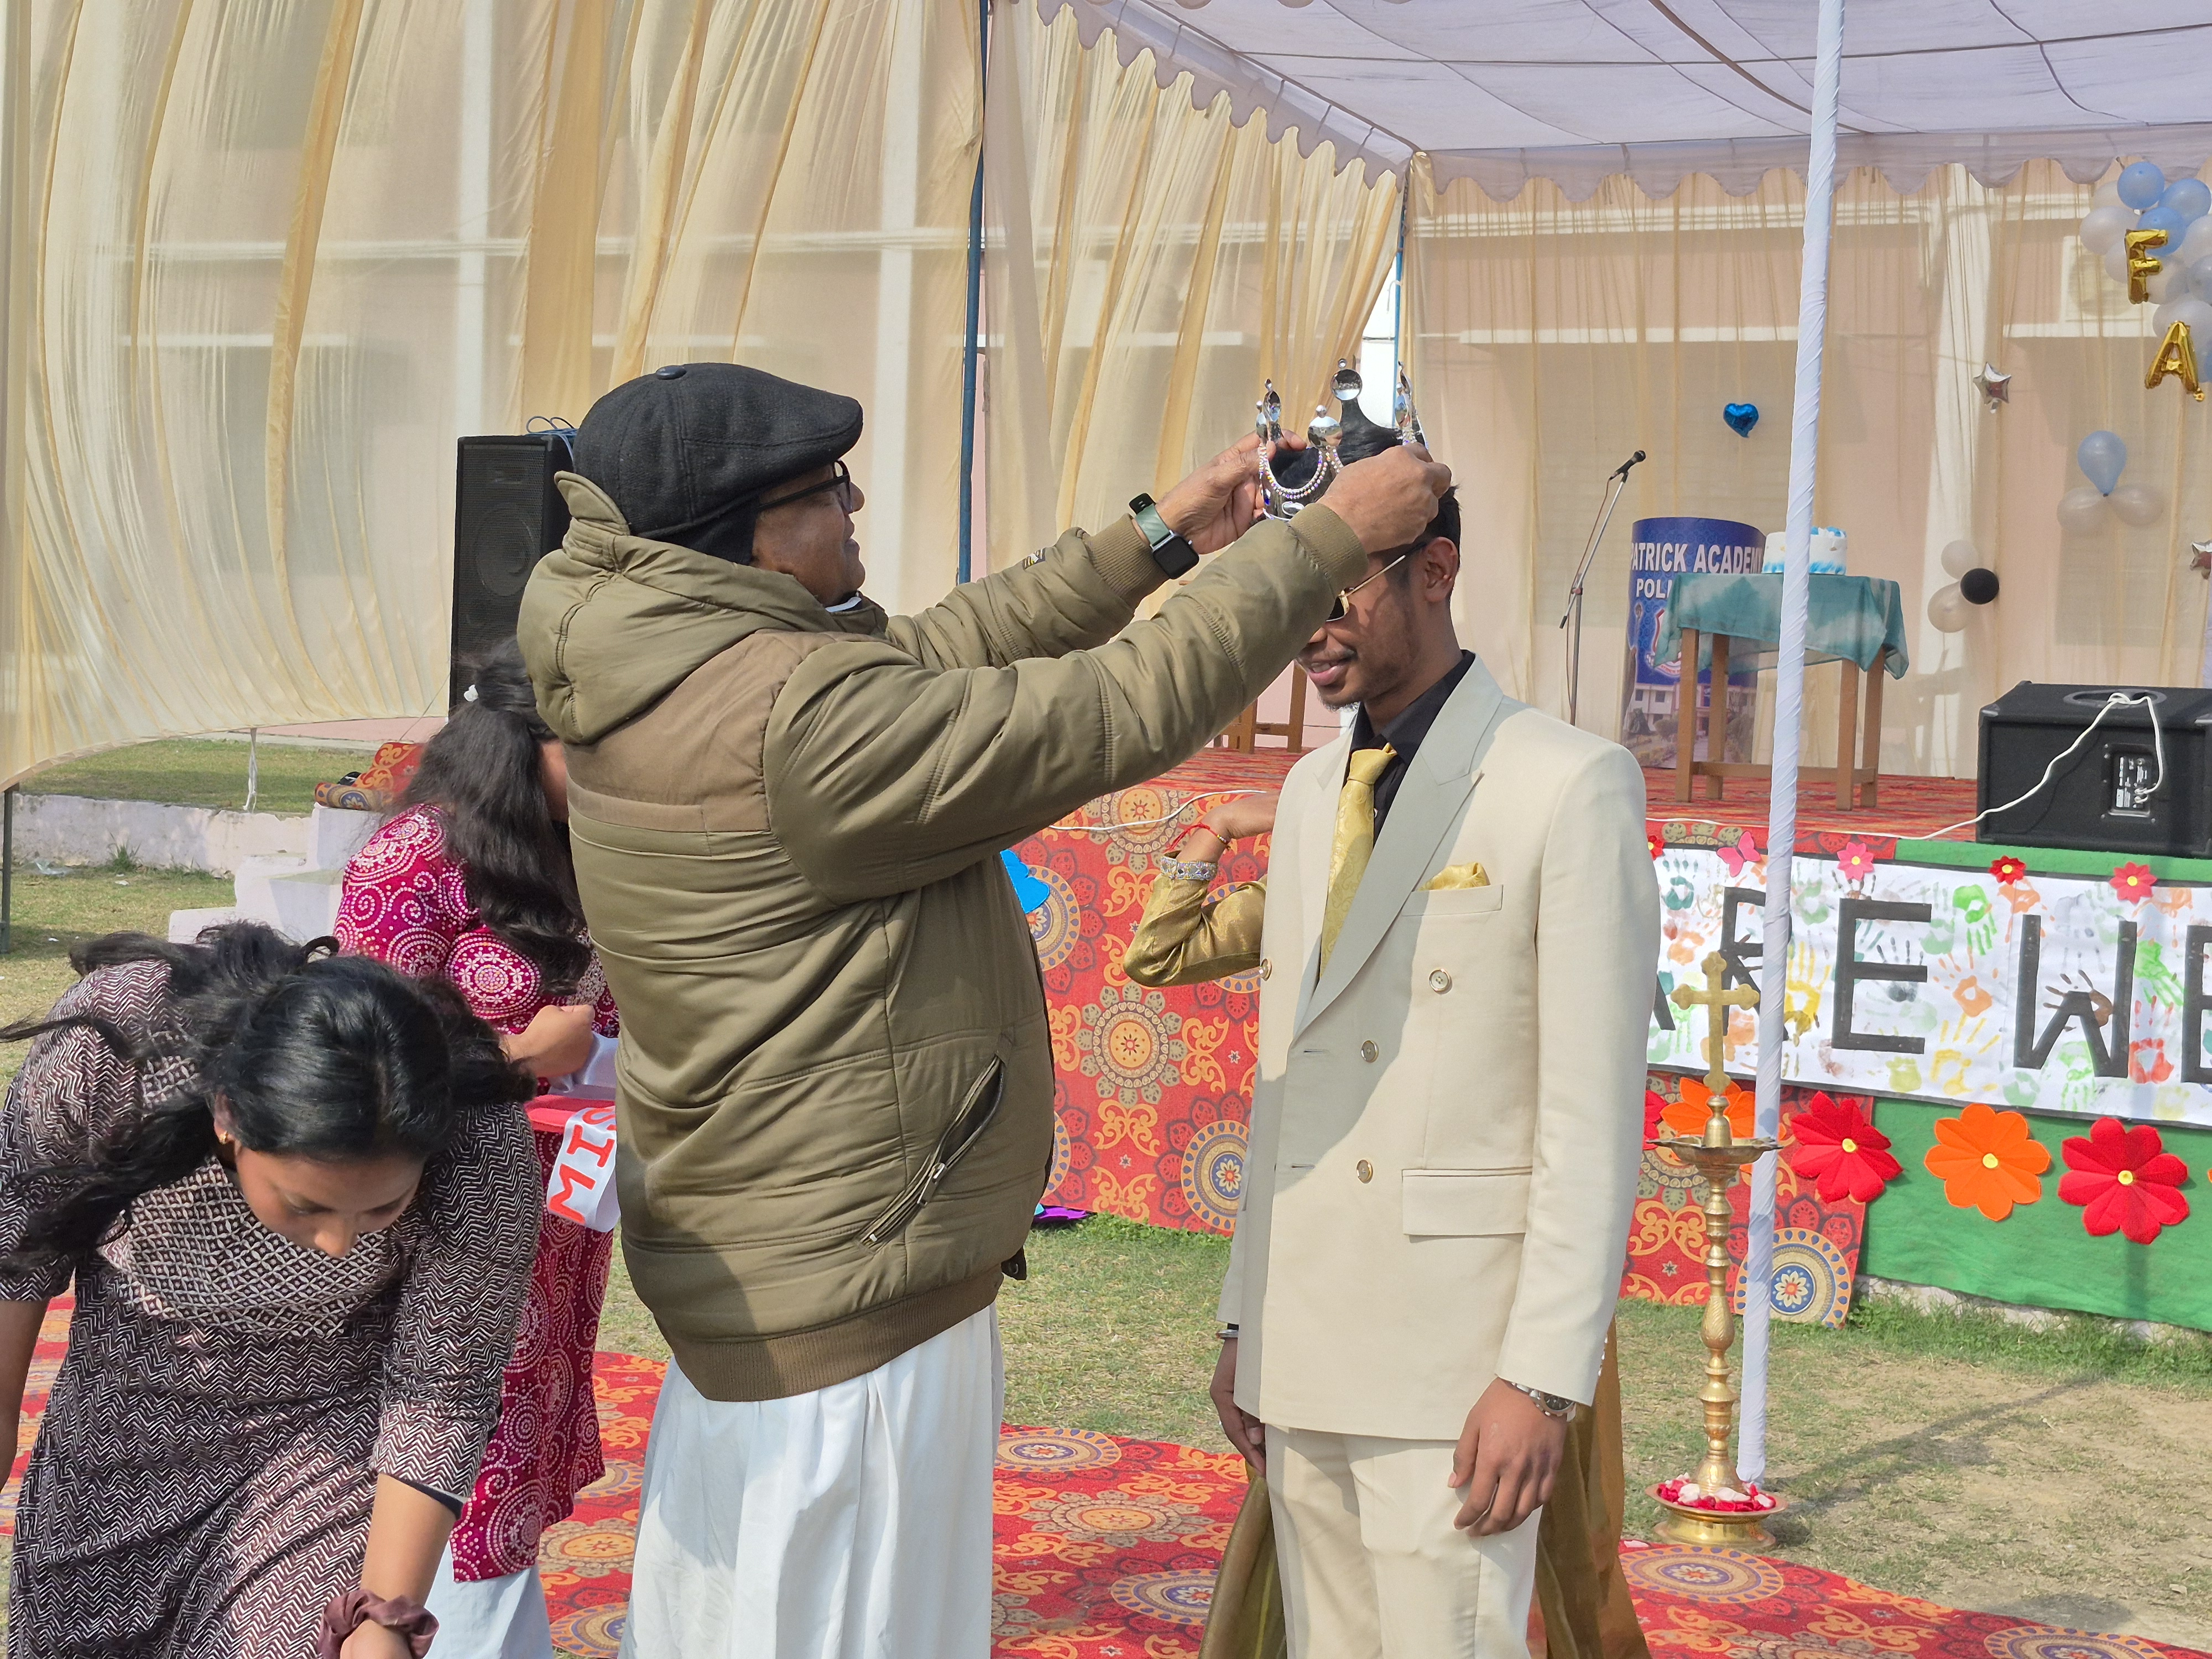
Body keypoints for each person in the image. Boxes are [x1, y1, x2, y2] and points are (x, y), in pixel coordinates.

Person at [514, 359, 1450, 1657]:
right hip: (847, 1301)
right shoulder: (793, 719)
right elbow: (1115, 709)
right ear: (749, 539)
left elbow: (947, 646)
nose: (854, 511)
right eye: (830, 493)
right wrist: (1325, 540)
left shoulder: (669, 653)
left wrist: (1162, 538)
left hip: (788, 1259)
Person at [1125, 403, 1660, 1659]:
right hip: (1306, 1339)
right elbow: (1287, 1082)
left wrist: (1540, 1378)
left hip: (1454, 1360)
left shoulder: (1567, 782)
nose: (1308, 624)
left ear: (1435, 568)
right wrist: (1245, 1324)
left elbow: (1589, 1118)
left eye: (1338, 586)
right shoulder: (1312, 790)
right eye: (1290, 587)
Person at [0, 926, 540, 1658]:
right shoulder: (121, 1047)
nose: (340, 1243)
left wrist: (383, 1620)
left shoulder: (480, 1133)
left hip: (322, 1440)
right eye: (307, 1205)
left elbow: (441, 1386)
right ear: (228, 1117)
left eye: (382, 1207)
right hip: (117, 1428)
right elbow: (16, 1246)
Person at [335, 640, 620, 1658]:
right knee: (467, 1456)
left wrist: (600, 1052)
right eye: (588, 748)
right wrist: (521, 1056)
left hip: (563, 1210)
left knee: (517, 1455)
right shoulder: (413, 859)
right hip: (447, 1220)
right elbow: (365, 1063)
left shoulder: (581, 847)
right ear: (519, 742)